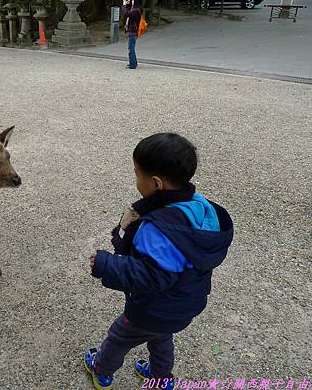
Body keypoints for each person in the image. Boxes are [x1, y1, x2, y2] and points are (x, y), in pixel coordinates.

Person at [84, 133, 234, 390]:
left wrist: (106, 264)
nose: (135, 180)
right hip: (183, 304)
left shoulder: (159, 230)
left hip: (153, 307)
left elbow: (153, 276)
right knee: (161, 336)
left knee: (120, 336)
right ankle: (161, 378)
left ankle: (101, 370)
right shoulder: (199, 207)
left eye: (136, 173)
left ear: (155, 183)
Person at [122, 0, 142, 69]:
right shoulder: (137, 9)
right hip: (134, 32)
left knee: (131, 48)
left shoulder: (136, 11)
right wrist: (127, 5)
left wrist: (124, 5)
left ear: (136, 1)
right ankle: (133, 62)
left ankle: (132, 65)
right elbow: (128, 13)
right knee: (131, 48)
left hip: (133, 32)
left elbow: (126, 14)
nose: (132, 1)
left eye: (133, 0)